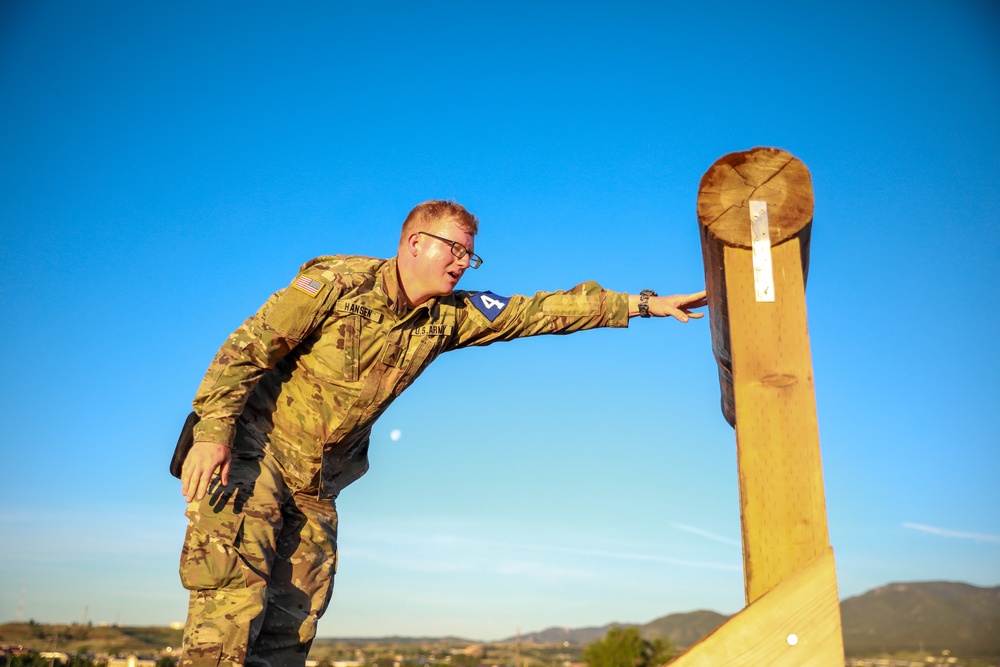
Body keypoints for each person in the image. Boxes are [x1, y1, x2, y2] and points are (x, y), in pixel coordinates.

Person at [177, 200, 706, 667]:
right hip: (253, 454)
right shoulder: (339, 282)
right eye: (454, 249)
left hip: (317, 488)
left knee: (290, 631)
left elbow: (536, 310)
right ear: (414, 242)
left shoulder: (445, 319)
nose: (462, 263)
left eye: (469, 256)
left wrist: (642, 304)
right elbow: (247, 349)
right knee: (227, 617)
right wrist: (212, 432)